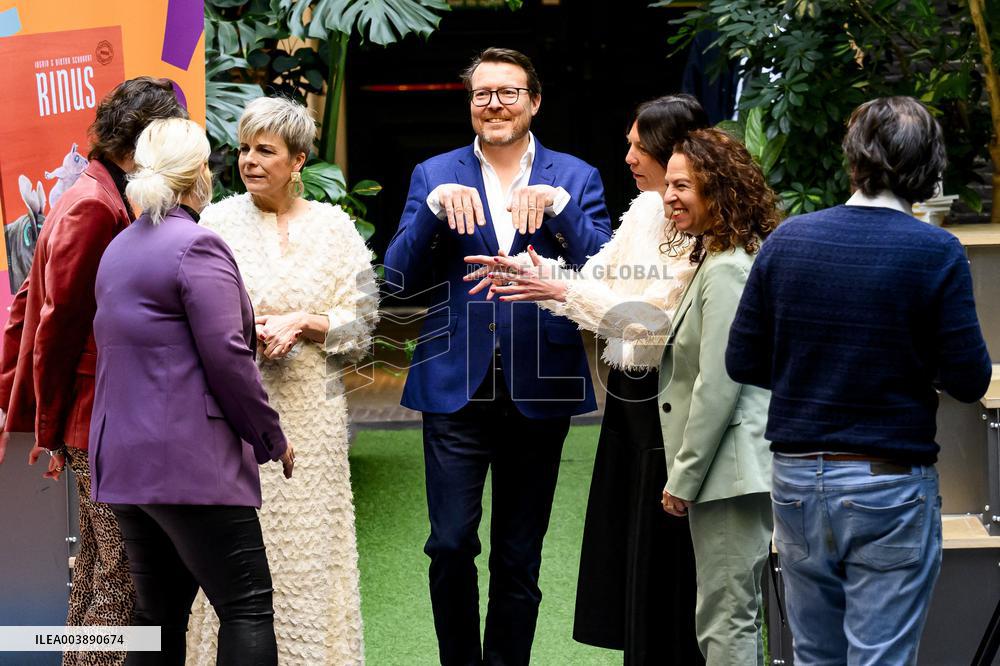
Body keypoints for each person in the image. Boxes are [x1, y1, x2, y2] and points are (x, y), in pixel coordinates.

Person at [727, 96, 992, 665]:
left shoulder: (788, 240)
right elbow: (969, 379)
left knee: (815, 657)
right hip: (888, 482)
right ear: (928, 166)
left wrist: (811, 365)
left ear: (853, 159)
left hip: (796, 478)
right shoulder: (936, 251)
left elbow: (742, 361)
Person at [384, 47, 612, 665]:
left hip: (542, 382)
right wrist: (432, 215)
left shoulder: (576, 176)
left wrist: (562, 213)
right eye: (483, 94)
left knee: (519, 553)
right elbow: (396, 280)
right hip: (455, 380)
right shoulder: (435, 173)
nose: (495, 104)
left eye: (509, 92)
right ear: (470, 105)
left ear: (534, 102)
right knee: (450, 544)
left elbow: (606, 271)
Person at [465, 95, 707, 665]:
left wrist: (563, 291)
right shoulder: (648, 211)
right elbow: (600, 280)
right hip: (629, 400)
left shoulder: (706, 223)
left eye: (636, 146)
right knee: (633, 548)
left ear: (678, 153)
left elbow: (650, 328)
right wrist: (538, 272)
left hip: (674, 403)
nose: (626, 157)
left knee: (674, 555)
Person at [91, 117, 294, 666]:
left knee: (155, 616)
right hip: (186, 461)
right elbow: (228, 357)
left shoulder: (120, 248)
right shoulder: (198, 245)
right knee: (247, 607)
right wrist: (271, 438)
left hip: (125, 463)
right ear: (198, 175)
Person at [185, 96, 378, 666]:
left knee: (311, 550)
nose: (248, 160)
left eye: (264, 150)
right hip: (234, 413)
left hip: (314, 418)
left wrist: (306, 323)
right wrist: (248, 328)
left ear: (297, 161)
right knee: (237, 553)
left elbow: (362, 324)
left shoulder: (334, 227)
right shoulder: (214, 223)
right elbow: (194, 314)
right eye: (243, 148)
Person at [0, 76, 186, 666]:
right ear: (147, 141)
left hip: (93, 418)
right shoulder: (96, 203)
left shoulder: (94, 189)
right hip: (94, 418)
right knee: (119, 578)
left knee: (100, 574)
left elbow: (32, 302)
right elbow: (56, 320)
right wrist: (50, 426)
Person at [657, 128, 778, 665]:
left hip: (727, 475)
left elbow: (719, 383)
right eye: (667, 184)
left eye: (682, 185)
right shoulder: (721, 256)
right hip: (727, 472)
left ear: (719, 188)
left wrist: (682, 476)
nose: (668, 196)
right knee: (728, 613)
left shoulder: (727, 268)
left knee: (726, 619)